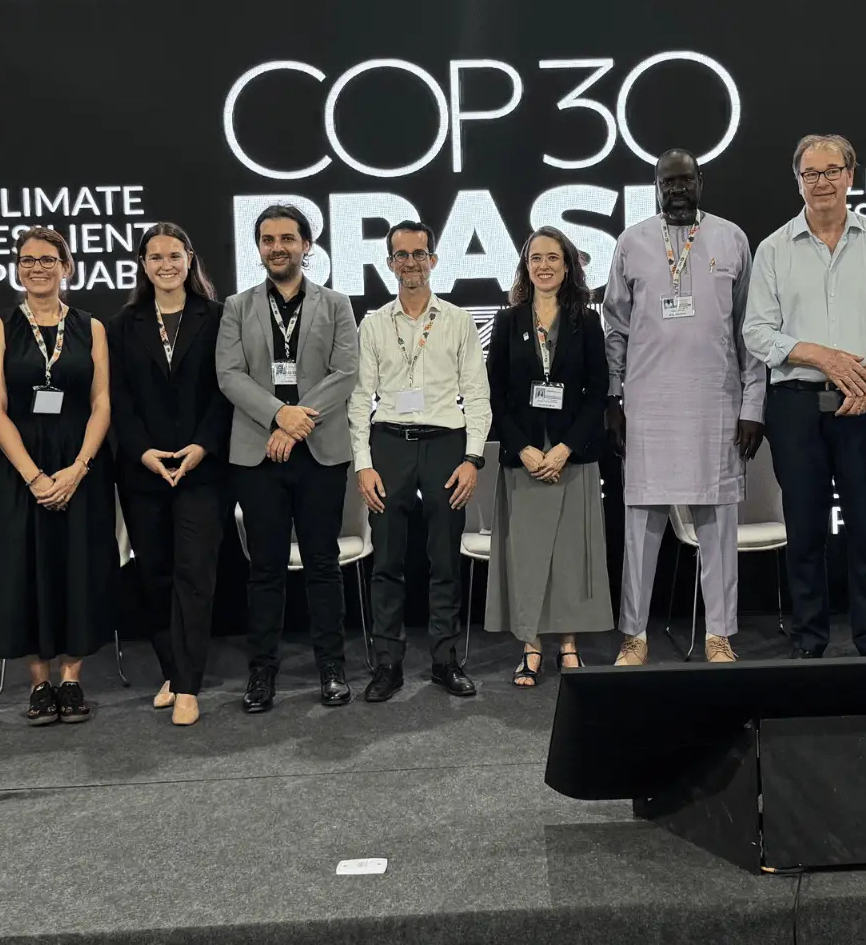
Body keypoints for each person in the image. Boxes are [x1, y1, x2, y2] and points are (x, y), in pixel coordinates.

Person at [743, 134, 866, 659]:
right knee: (804, 531)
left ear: (851, 175)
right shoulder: (773, 248)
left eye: (831, 171)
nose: (821, 182)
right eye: (810, 173)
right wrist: (823, 356)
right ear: (798, 180)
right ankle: (809, 639)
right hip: (797, 406)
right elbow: (757, 332)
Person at [602, 149, 766, 665]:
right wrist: (613, 396)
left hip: (717, 404)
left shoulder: (731, 238)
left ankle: (720, 634)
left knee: (718, 524)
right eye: (667, 182)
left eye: (685, 180)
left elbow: (752, 331)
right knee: (640, 527)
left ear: (701, 181)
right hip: (648, 405)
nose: (677, 189)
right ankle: (634, 636)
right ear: (656, 185)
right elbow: (615, 328)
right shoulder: (632, 243)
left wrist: (753, 405)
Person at [218, 204, 360, 712]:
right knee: (265, 569)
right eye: (268, 239)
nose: (278, 247)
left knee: (323, 563)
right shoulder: (236, 306)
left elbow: (345, 372)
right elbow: (230, 375)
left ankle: (332, 668)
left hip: (320, 452)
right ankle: (262, 674)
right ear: (258, 248)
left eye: (287, 238)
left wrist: (297, 423)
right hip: (258, 453)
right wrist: (280, 417)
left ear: (306, 245)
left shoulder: (336, 303)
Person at [348, 220, 493, 701]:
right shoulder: (372, 322)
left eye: (419, 253)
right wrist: (363, 464)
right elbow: (358, 399)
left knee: (445, 559)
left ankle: (444, 661)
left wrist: (473, 459)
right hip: (388, 442)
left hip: (446, 446)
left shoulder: (457, 320)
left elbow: (477, 395)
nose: (410, 262)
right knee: (387, 560)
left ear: (433, 259)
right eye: (401, 255)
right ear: (389, 263)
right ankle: (387, 664)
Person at [0, 226, 118, 724]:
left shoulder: (92, 327)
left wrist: (78, 468)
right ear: (17, 268)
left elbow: (102, 402)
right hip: (21, 468)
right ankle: (39, 684)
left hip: (81, 465)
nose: (37, 267)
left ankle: (72, 680)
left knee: (78, 567)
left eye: (47, 259)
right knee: (26, 570)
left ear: (67, 266)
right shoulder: (0, 327)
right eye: (27, 260)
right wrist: (35, 476)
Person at [108, 223, 231, 727]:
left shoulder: (218, 318)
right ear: (143, 263)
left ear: (190, 259)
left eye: (174, 255)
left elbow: (228, 389)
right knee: (155, 574)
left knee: (194, 574)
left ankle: (187, 686)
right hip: (144, 471)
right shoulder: (122, 324)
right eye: (155, 256)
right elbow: (116, 399)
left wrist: (201, 446)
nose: (165, 264)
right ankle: (172, 668)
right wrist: (142, 452)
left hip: (203, 470)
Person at [484, 227, 613, 685]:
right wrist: (523, 447)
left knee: (569, 555)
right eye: (535, 258)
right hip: (525, 459)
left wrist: (563, 449)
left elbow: (599, 393)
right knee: (529, 556)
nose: (543, 266)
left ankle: (569, 645)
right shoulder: (508, 320)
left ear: (568, 265)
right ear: (525, 265)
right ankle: (532, 646)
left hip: (571, 458)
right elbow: (495, 395)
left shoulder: (587, 321)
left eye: (553, 258)